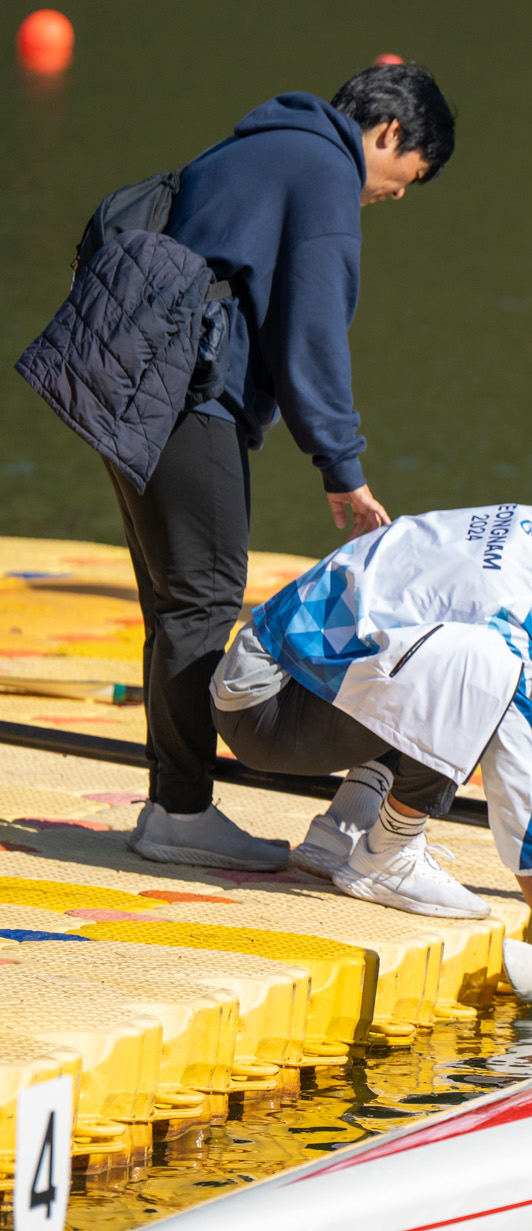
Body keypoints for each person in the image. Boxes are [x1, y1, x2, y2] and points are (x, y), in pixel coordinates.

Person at [118, 63, 455, 872]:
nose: (399, 194)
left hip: (126, 383)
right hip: (187, 394)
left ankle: (174, 803)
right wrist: (342, 465)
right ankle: (182, 811)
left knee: (174, 603)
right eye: (409, 175)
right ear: (386, 135)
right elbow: (313, 330)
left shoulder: (261, 143)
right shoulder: (325, 171)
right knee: (202, 598)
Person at [209, 513, 532, 976]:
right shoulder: (507, 619)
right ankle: (387, 856)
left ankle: (341, 829)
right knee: (483, 678)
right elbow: (517, 779)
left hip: (282, 675)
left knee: (469, 665)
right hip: (266, 705)